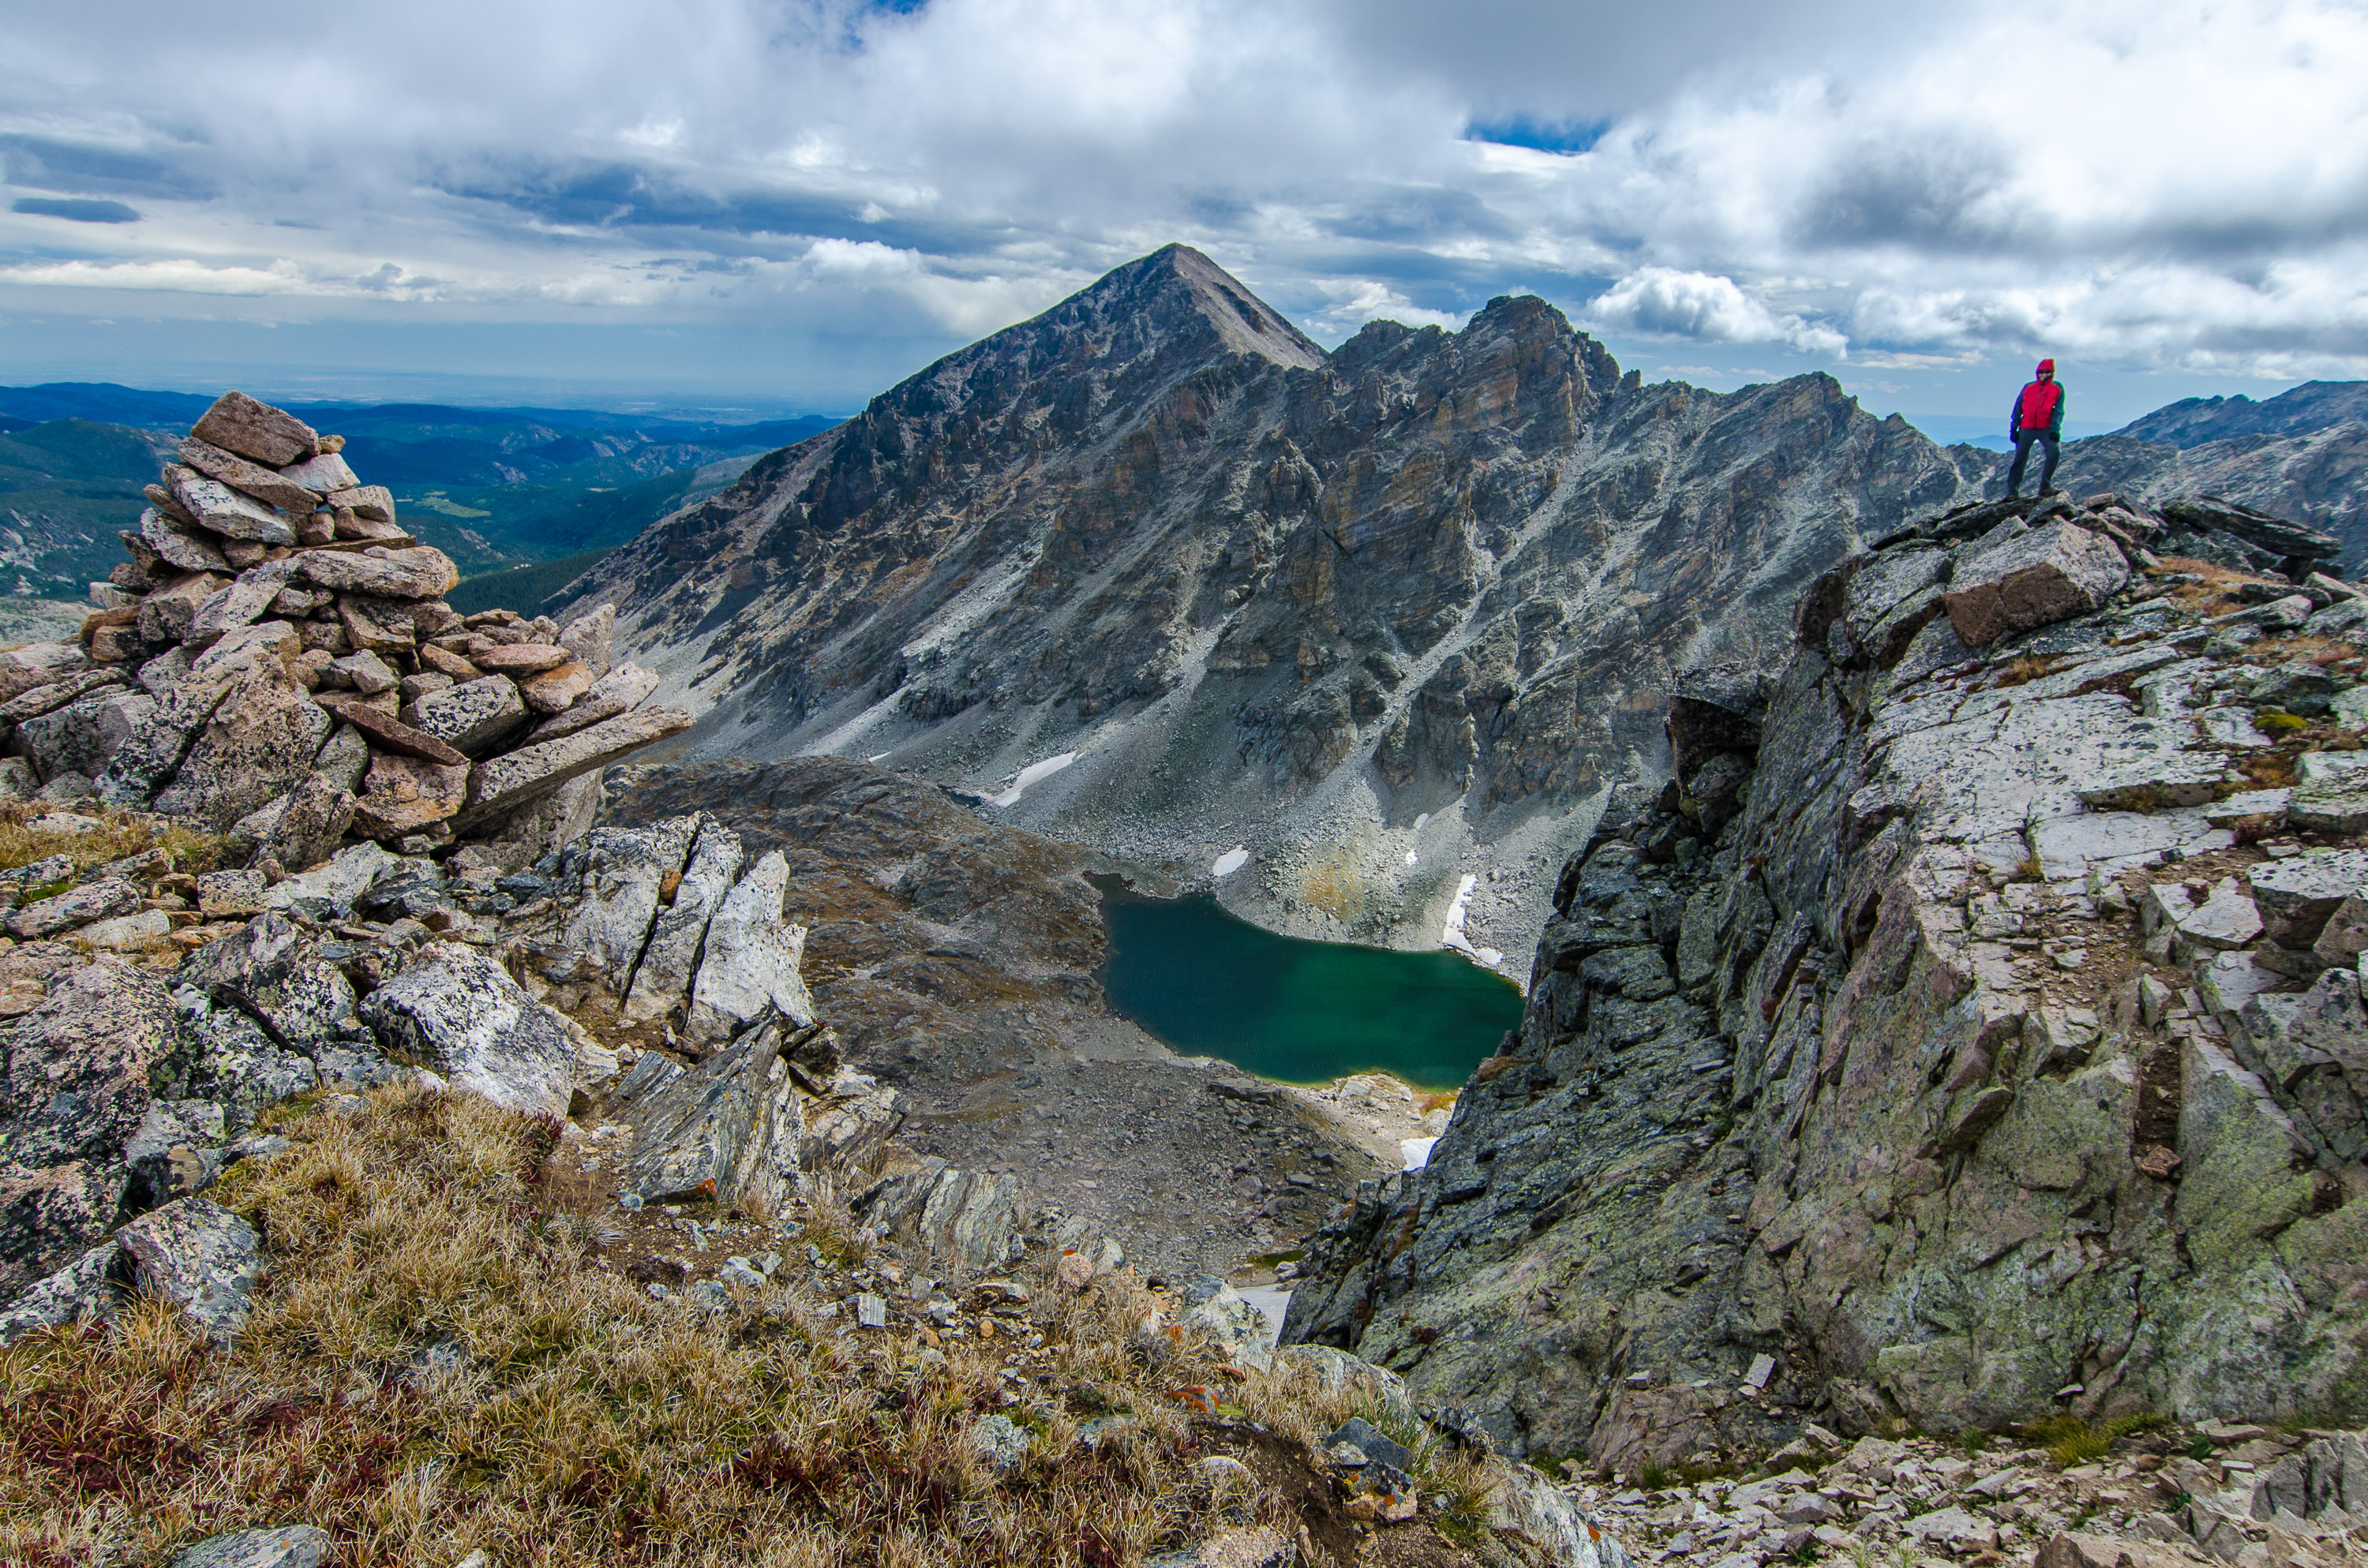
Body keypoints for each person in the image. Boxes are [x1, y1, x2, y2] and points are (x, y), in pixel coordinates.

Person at [2005, 357, 2066, 498]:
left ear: (2052, 373)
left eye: (2047, 372)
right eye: (2041, 372)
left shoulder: (2057, 388)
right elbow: (2018, 408)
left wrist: (2056, 429)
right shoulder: (2028, 387)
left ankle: (2045, 486)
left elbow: (2059, 410)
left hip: (2046, 428)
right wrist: (2014, 428)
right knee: (2020, 459)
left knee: (2054, 454)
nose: (2044, 375)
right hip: (2026, 428)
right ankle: (2013, 492)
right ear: (2037, 373)